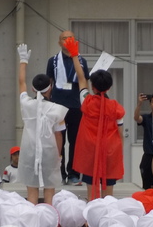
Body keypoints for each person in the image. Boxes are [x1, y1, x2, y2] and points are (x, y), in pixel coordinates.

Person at [63, 36, 125, 200]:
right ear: (110, 86)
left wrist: (75, 55)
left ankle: (91, 220)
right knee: (109, 198)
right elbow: (120, 133)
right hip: (110, 151)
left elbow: (81, 78)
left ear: (93, 86)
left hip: (91, 151)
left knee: (92, 196)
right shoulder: (116, 107)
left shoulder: (86, 101)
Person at [17, 43, 68, 204]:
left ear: (33, 89)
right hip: (50, 152)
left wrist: (23, 61)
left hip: (29, 150)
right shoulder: (57, 109)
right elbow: (59, 135)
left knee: (31, 192)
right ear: (50, 87)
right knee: (49, 192)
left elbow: (21, 83)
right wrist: (59, 156)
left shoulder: (26, 104)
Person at [46, 30, 89, 186]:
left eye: (71, 38)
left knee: (75, 141)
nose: (67, 41)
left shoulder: (81, 61)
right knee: (58, 141)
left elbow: (85, 82)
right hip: (58, 105)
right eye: (64, 39)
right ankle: (59, 172)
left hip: (76, 106)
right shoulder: (53, 61)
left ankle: (73, 173)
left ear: (75, 41)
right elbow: (49, 82)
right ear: (59, 42)